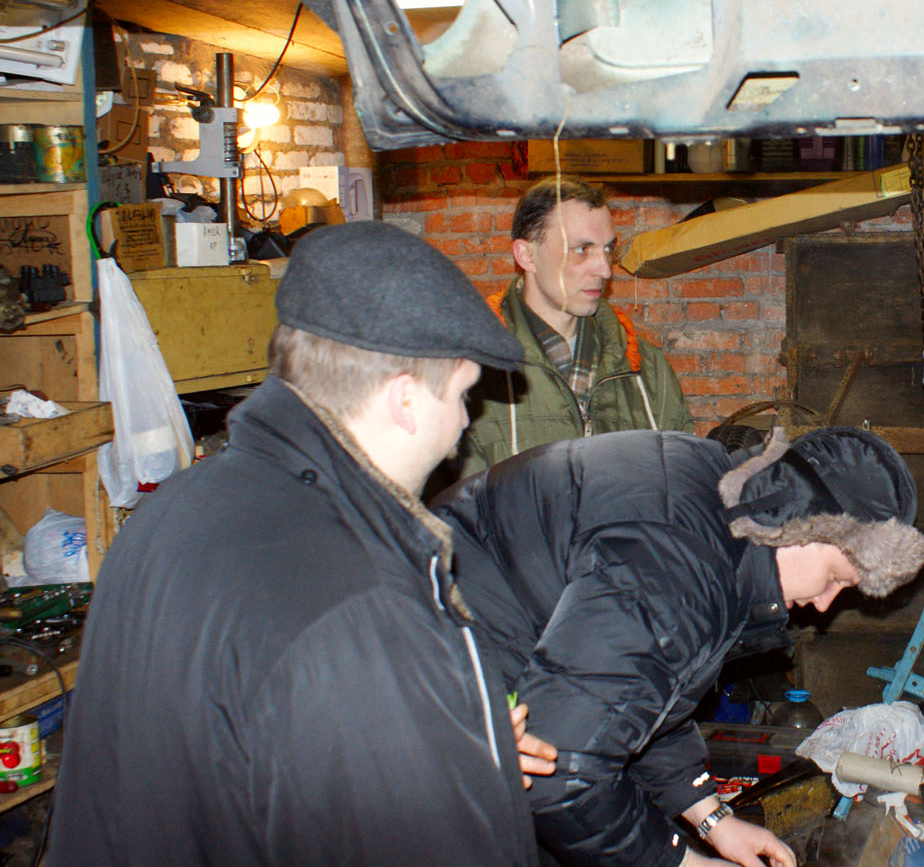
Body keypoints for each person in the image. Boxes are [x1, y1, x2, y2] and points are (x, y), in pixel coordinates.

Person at [51, 221, 560, 867]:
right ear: (405, 400)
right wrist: (459, 790)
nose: (465, 423)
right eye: (463, 395)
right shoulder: (364, 603)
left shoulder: (169, 514)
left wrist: (443, 758)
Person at [431, 425, 924, 867]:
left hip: (471, 661)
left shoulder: (717, 502)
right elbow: (564, 774)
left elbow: (636, 691)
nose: (824, 605)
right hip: (434, 691)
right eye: (835, 579)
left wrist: (712, 819)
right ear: (802, 527)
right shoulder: (681, 567)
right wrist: (681, 861)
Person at [458, 175, 693, 475]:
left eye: (607, 249)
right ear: (527, 255)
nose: (605, 269)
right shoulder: (471, 373)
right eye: (582, 249)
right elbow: (459, 500)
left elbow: (681, 485)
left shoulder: (646, 371)